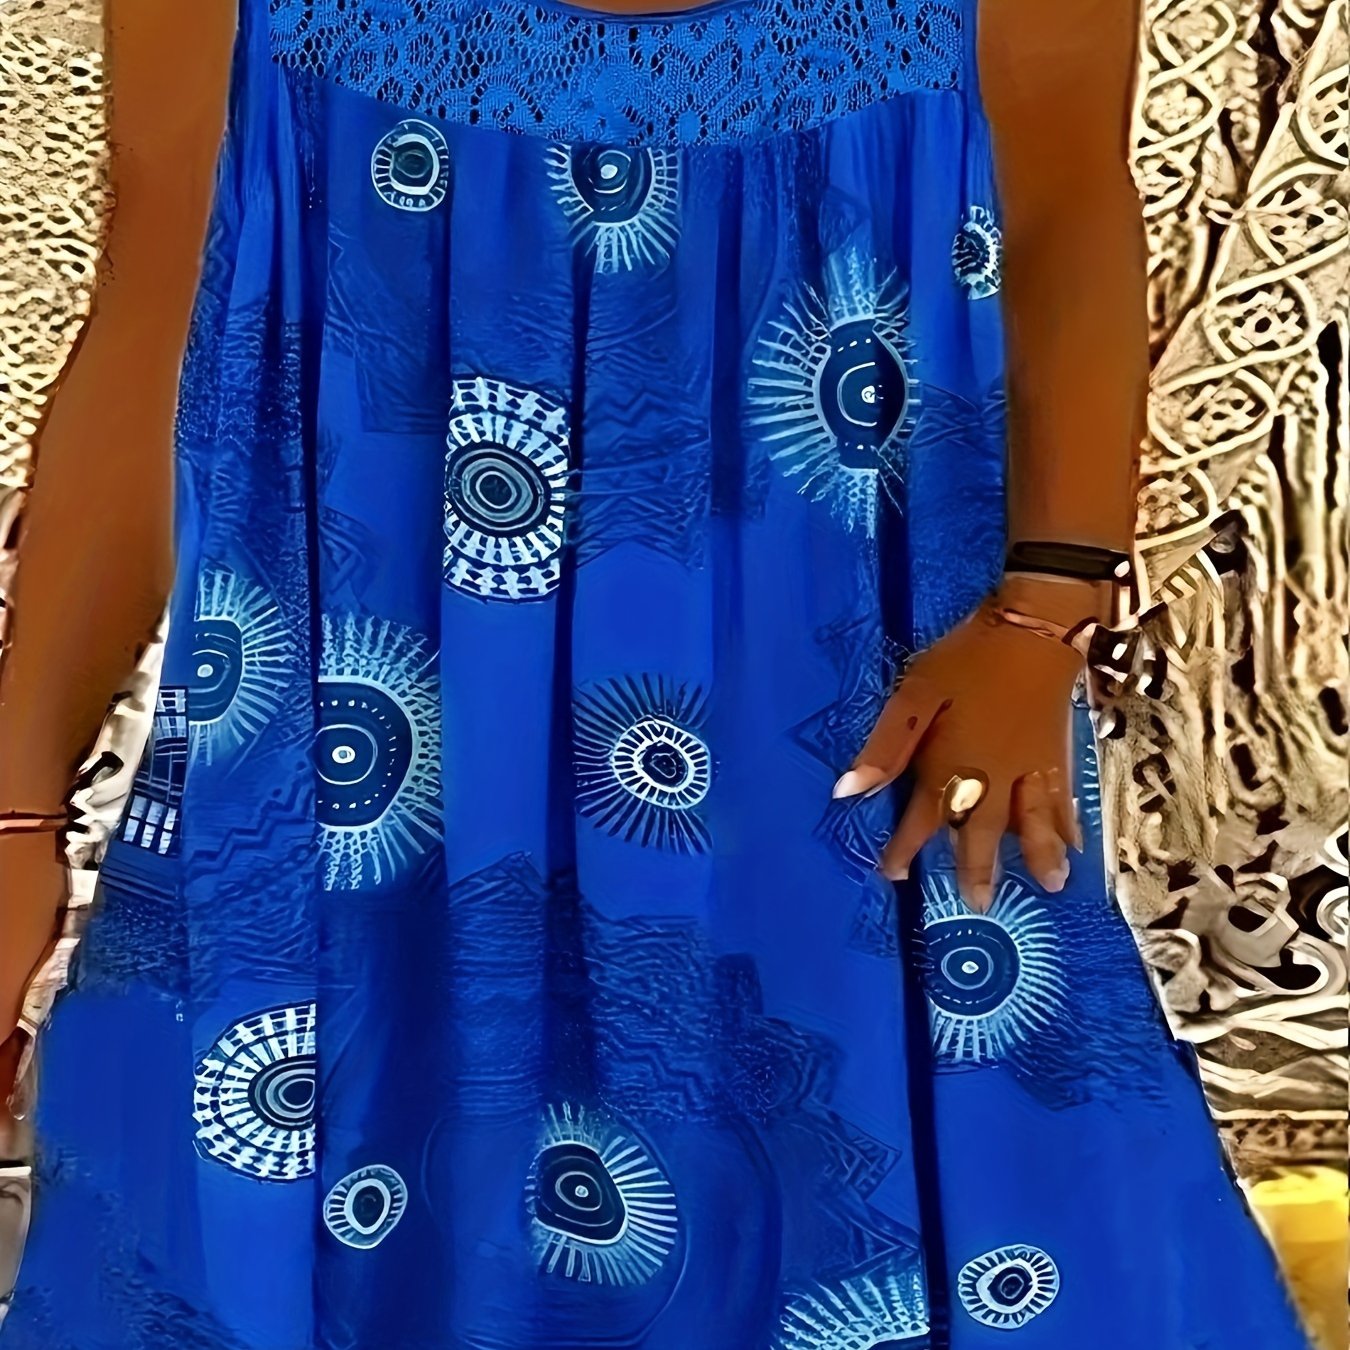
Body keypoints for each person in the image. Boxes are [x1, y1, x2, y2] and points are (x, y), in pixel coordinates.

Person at [0, 0, 1314, 1345]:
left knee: (931, 1183)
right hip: (368, 772)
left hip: (857, 710)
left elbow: (1067, 214)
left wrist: (1044, 609)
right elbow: (149, 330)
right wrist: (17, 813)